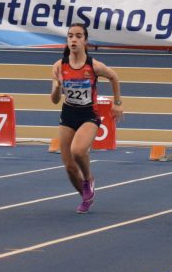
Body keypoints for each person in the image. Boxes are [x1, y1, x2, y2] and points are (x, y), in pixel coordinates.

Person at [50, 22, 123, 214]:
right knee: (69, 167)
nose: (73, 40)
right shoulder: (59, 66)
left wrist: (117, 103)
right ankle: (86, 196)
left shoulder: (93, 65)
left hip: (89, 114)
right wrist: (57, 88)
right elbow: (54, 100)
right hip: (68, 113)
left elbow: (114, 77)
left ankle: (88, 178)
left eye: (78, 36)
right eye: (70, 36)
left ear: (85, 41)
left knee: (77, 151)